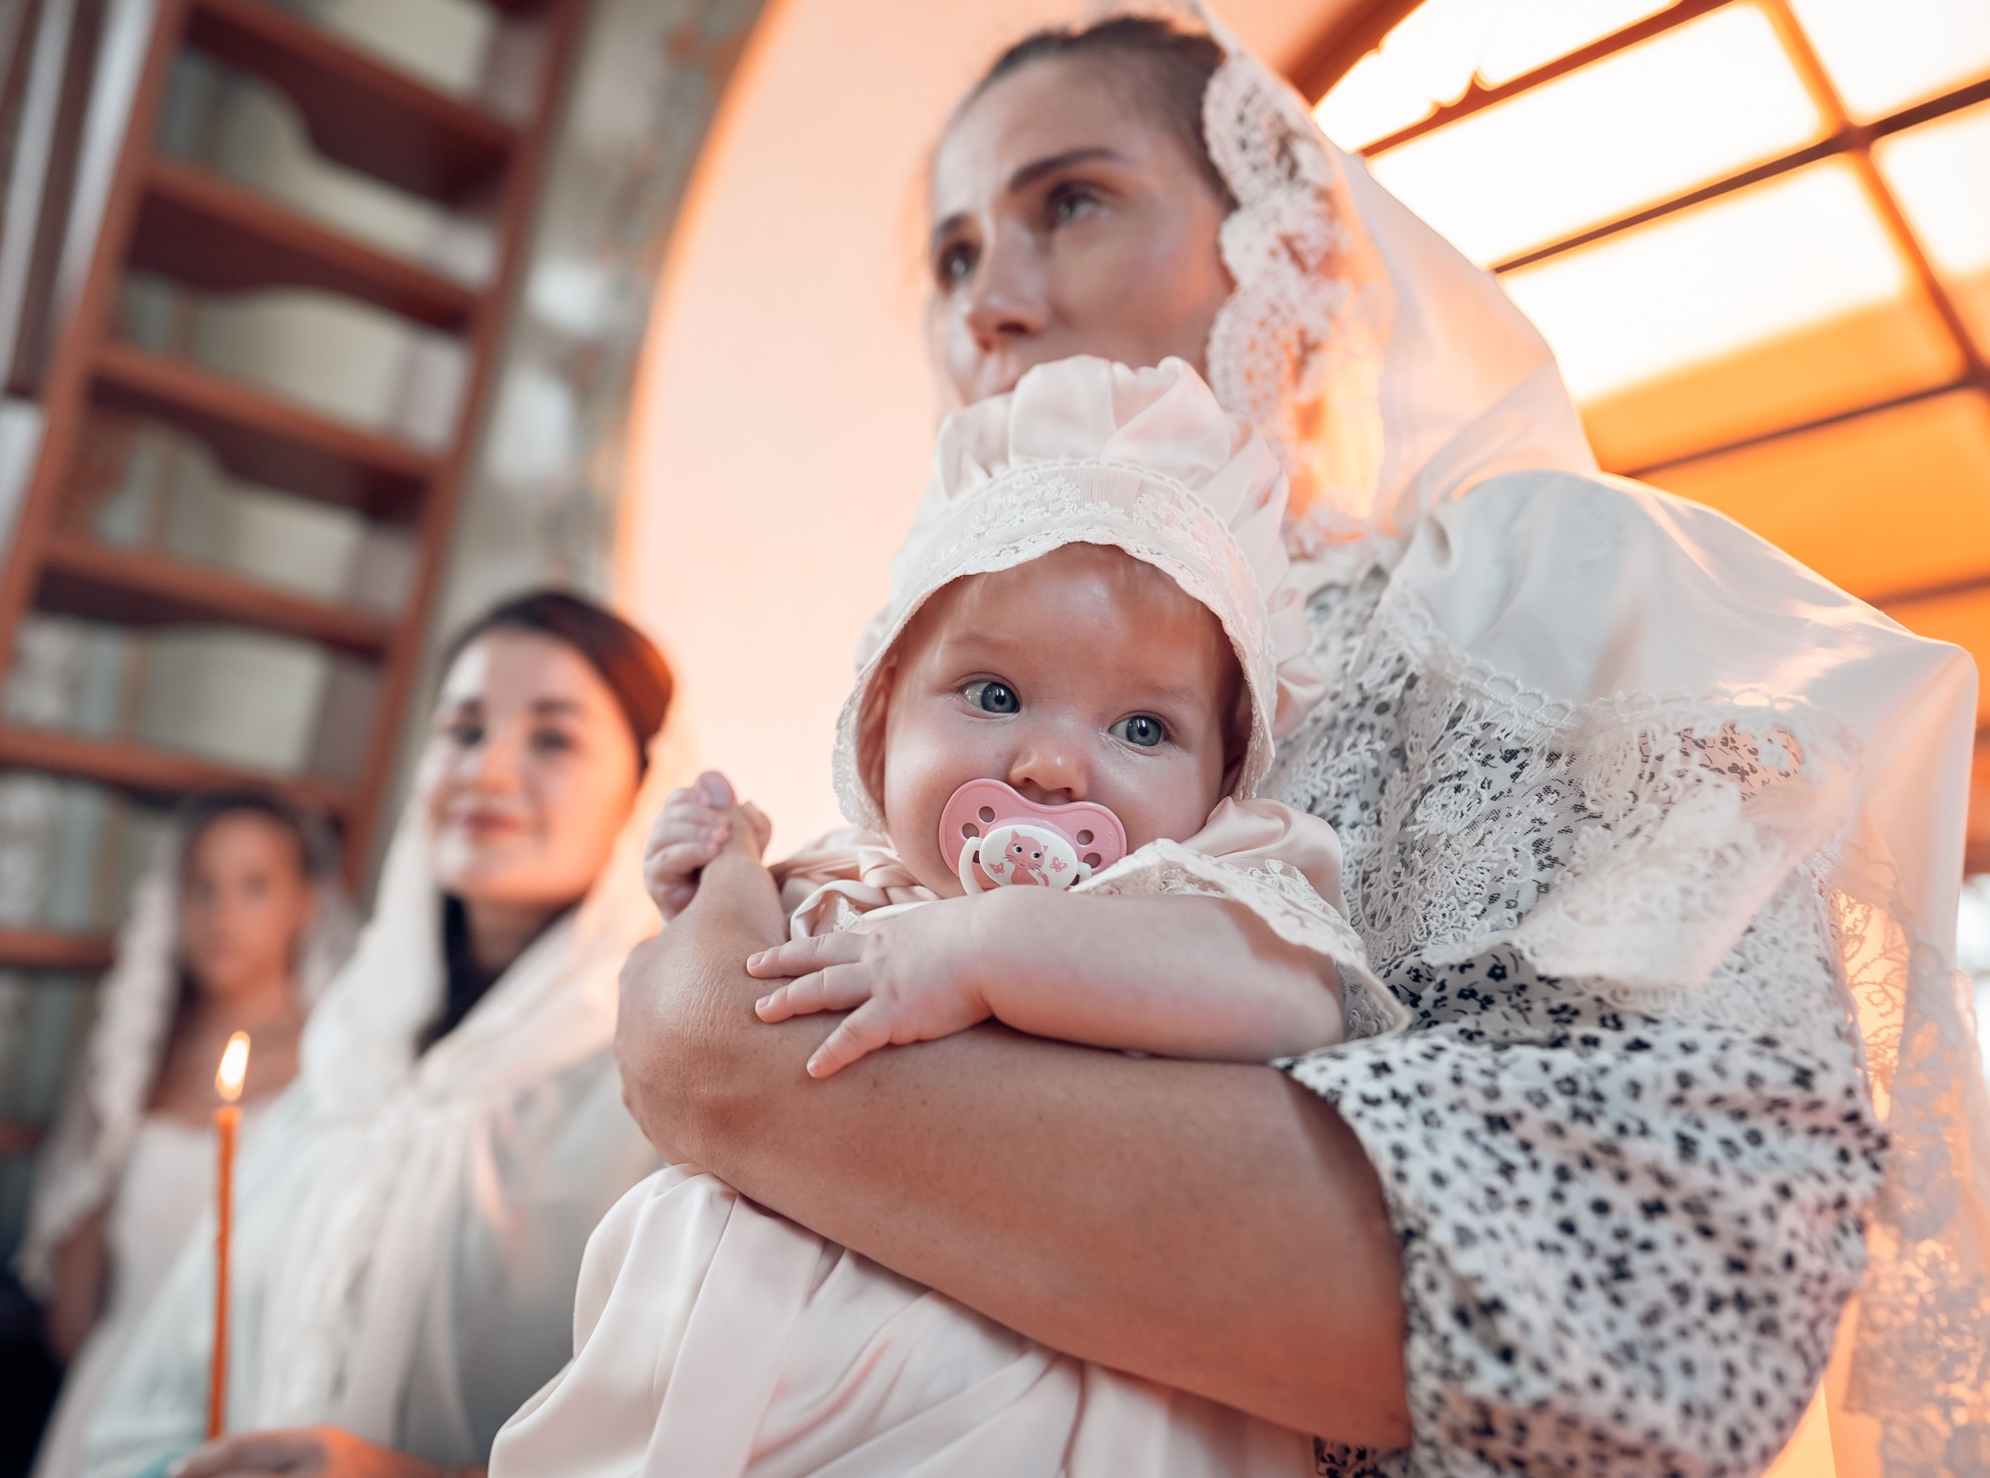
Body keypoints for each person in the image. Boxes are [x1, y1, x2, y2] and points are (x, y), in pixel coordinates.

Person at [606, 0, 1990, 1474]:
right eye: (951, 253)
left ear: (1287, 251)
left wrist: (725, 1066)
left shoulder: (1527, 582)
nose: (985, 299)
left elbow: (1657, 1302)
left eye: (1069, 201)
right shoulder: (953, 672)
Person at [498, 357, 1412, 1476]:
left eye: (1140, 728)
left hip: (1054, 1380)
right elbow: (715, 1008)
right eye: (992, 695)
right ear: (879, 724)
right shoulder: (849, 877)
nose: (1048, 762)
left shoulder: (1194, 889)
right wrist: (719, 878)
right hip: (735, 1373)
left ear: (1224, 782)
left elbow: (1283, 998)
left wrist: (983, 951)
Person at [84, 590, 677, 1478]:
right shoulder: (349, 1057)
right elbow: (172, 1373)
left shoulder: (660, 1094)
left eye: (552, 737)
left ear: (644, 787)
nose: (488, 769)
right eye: (463, 729)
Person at [20, 789, 349, 1478]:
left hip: (248, 1398)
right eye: (202, 886)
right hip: (113, 1388)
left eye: (255, 886)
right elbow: (77, 1270)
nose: (222, 913)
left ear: (307, 902)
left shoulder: (335, 1063)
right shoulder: (135, 1056)